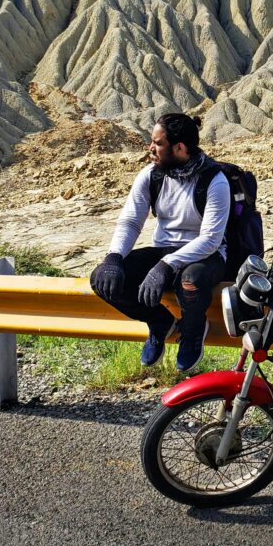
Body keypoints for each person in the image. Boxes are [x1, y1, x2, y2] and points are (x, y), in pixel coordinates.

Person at [90, 112, 230, 372]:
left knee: (189, 281)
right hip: (164, 251)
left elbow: (210, 239)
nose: (150, 148)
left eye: (157, 143)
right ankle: (159, 321)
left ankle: (193, 329)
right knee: (102, 278)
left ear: (179, 148)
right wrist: (114, 258)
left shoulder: (215, 181)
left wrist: (166, 265)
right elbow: (131, 221)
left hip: (205, 255)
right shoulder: (151, 176)